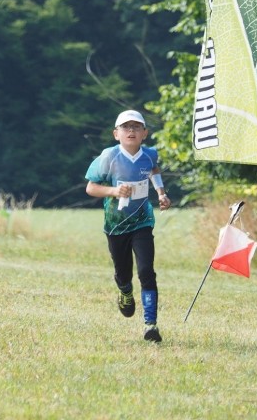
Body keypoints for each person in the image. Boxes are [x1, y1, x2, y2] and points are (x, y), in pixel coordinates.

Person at [85, 109, 172, 343]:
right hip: (115, 225)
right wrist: (114, 191)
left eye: (136, 127)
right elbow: (91, 188)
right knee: (124, 275)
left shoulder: (150, 155)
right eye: (125, 127)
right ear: (116, 134)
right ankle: (125, 292)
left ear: (145, 133)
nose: (131, 131)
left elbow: (153, 170)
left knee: (146, 271)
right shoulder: (108, 157)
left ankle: (150, 325)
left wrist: (161, 194)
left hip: (142, 222)